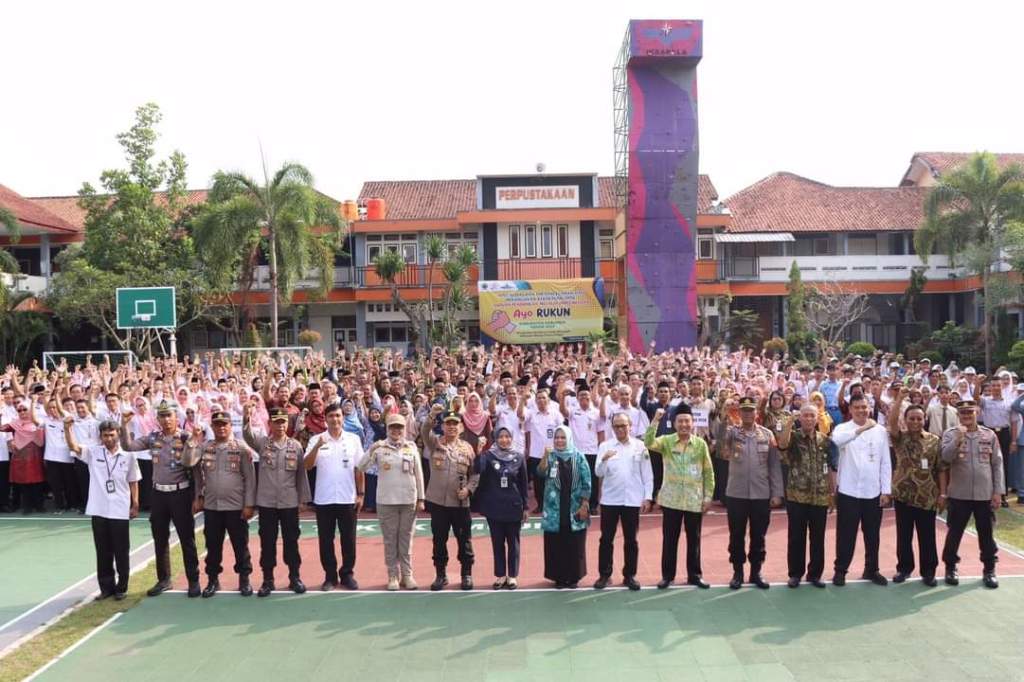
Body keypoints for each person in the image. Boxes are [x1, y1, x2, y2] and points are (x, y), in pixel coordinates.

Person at [120, 400, 202, 598]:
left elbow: (195, 469)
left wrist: (198, 496)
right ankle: (164, 579)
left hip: (180, 493)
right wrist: (124, 425)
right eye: (162, 416)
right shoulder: (152, 437)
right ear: (157, 419)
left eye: (169, 416)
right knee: (160, 538)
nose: (166, 420)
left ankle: (193, 580)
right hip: (158, 494)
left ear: (176, 418)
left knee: (186, 538)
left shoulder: (185, 437)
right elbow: (128, 446)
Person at [64, 419, 140, 600]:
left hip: (120, 509)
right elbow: (74, 446)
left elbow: (133, 481)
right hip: (98, 509)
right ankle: (106, 588)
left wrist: (135, 504)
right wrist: (67, 428)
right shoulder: (93, 452)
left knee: (121, 550)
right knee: (103, 551)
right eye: (105, 435)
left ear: (118, 434)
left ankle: (122, 587)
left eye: (111, 434)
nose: (108, 438)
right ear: (101, 436)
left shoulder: (128, 455)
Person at [244, 406, 313, 596]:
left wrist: (303, 499)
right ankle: (268, 580)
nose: (281, 425)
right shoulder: (263, 443)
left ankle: (294, 577)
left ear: (287, 423)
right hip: (267, 502)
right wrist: (246, 418)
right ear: (270, 424)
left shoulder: (295, 446)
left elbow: (301, 475)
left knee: (291, 541)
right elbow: (248, 436)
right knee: (267, 542)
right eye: (277, 422)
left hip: (289, 502)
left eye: (283, 422)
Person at [645, 409, 713, 590]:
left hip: (694, 500)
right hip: (671, 500)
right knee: (670, 539)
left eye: (687, 421)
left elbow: (708, 472)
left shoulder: (700, 444)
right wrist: (656, 420)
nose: (684, 425)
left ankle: (695, 575)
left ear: (692, 423)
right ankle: (667, 576)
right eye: (680, 421)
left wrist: (708, 497)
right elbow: (648, 442)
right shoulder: (667, 441)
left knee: (694, 540)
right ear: (675, 424)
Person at [191, 410, 256, 598]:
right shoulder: (204, 447)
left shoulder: (241, 448)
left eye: (224, 424)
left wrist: (249, 504)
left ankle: (244, 579)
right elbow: (194, 470)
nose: (221, 428)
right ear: (211, 427)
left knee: (240, 546)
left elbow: (250, 479)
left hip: (236, 506)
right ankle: (213, 580)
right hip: (212, 506)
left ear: (230, 426)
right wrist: (198, 495)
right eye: (217, 424)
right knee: (212, 546)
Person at [721, 397, 783, 589]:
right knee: (736, 535)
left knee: (759, 535)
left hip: (761, 493)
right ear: (739, 413)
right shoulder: (732, 433)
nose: (748, 414)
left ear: (757, 413)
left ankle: (756, 571)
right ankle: (737, 572)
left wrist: (777, 492)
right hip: (736, 493)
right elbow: (721, 445)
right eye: (744, 410)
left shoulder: (767, 434)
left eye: (751, 410)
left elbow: (774, 465)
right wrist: (725, 415)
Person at [940, 399, 1003, 589]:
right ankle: (950, 567)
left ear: (976, 412)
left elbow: (997, 464)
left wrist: (998, 491)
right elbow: (945, 457)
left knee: (986, 533)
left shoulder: (989, 435)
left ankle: (989, 569)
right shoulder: (951, 434)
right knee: (955, 532)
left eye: (970, 412)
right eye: (963, 413)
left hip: (984, 494)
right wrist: (959, 437)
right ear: (958, 415)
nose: (967, 416)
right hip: (959, 493)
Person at [831, 394, 891, 586]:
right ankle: (840, 570)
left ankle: (872, 569)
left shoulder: (880, 431)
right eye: (857, 407)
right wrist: (862, 429)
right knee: (846, 534)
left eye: (864, 407)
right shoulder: (842, 428)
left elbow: (885, 462)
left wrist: (886, 490)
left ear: (869, 408)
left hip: (872, 491)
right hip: (848, 491)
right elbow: (836, 443)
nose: (861, 411)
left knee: (872, 534)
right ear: (850, 409)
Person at [304, 402, 365, 593]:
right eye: (331, 416)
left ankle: (347, 574)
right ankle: (330, 576)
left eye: (338, 416)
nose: (335, 419)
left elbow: (359, 468)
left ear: (343, 418)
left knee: (349, 539)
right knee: (326, 539)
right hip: (324, 498)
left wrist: (361, 494)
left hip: (348, 497)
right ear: (326, 419)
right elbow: (306, 465)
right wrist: (317, 447)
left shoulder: (353, 439)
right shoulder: (317, 439)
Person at [359, 413, 425, 590]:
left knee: (406, 539)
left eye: (400, 427)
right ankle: (392, 575)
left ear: (404, 429)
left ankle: (407, 575)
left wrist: (421, 498)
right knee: (390, 540)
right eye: (393, 427)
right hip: (386, 501)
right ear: (387, 429)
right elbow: (361, 466)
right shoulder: (380, 448)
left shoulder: (411, 448)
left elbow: (418, 474)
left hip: (408, 500)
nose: (396, 430)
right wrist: (371, 449)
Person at [887, 388, 944, 587]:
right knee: (904, 535)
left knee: (927, 536)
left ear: (924, 419)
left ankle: (928, 572)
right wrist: (900, 398)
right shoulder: (899, 437)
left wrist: (942, 493)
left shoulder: (934, 440)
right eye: (911, 418)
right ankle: (904, 569)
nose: (915, 422)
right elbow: (891, 421)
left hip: (926, 495)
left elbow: (940, 469)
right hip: (903, 494)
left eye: (919, 419)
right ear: (906, 419)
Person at [777, 403, 837, 588]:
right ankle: (795, 573)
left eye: (812, 415)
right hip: (797, 496)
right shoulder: (794, 437)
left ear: (817, 418)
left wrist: (832, 492)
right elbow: (782, 444)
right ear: (800, 418)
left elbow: (830, 469)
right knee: (796, 537)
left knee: (818, 538)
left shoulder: (825, 441)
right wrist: (789, 423)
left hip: (819, 496)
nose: (809, 419)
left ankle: (815, 574)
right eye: (805, 416)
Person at [593, 412, 652, 590]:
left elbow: (647, 475)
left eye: (623, 425)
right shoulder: (605, 446)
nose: (620, 429)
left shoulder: (640, 446)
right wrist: (603, 460)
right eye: (616, 426)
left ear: (630, 426)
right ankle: (604, 575)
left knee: (631, 540)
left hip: (632, 500)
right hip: (611, 499)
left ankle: (630, 575)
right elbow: (598, 473)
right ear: (612, 428)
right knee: (606, 539)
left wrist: (647, 497)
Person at [421, 407, 477, 590]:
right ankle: (440, 575)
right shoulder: (435, 443)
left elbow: (475, 474)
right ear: (443, 426)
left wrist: (468, 490)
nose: (452, 427)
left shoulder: (467, 448)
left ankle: (466, 574)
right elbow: (424, 430)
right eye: (448, 424)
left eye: (455, 424)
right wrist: (432, 416)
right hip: (438, 503)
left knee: (464, 540)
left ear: (461, 428)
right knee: (439, 539)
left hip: (460, 503)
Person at [469, 426, 529, 589]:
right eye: (500, 437)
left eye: (507, 437)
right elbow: (478, 469)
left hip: (513, 506)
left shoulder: (518, 457)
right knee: (497, 542)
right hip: (494, 506)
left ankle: (512, 576)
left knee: (513, 543)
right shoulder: (489, 456)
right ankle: (501, 575)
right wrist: (480, 451)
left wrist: (526, 507)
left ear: (511, 438)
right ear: (495, 439)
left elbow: (524, 484)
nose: (504, 440)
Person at [539, 425, 591, 588]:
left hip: (574, 507)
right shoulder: (550, 456)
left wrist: (585, 504)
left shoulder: (579, 457)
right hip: (555, 509)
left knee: (574, 542)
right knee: (556, 542)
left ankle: (574, 576)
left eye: (562, 437)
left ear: (568, 438)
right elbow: (540, 473)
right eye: (557, 438)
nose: (559, 441)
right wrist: (545, 457)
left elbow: (587, 482)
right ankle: (559, 577)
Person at [1, 398, 45, 514]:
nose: (22, 412)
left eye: (25, 409)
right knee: (24, 483)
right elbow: (2, 428)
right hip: (21, 457)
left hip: (35, 456)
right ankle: (27, 507)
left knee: (37, 482)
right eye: (19, 410)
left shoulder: (37, 421)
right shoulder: (14, 423)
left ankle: (39, 506)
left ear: (30, 410)